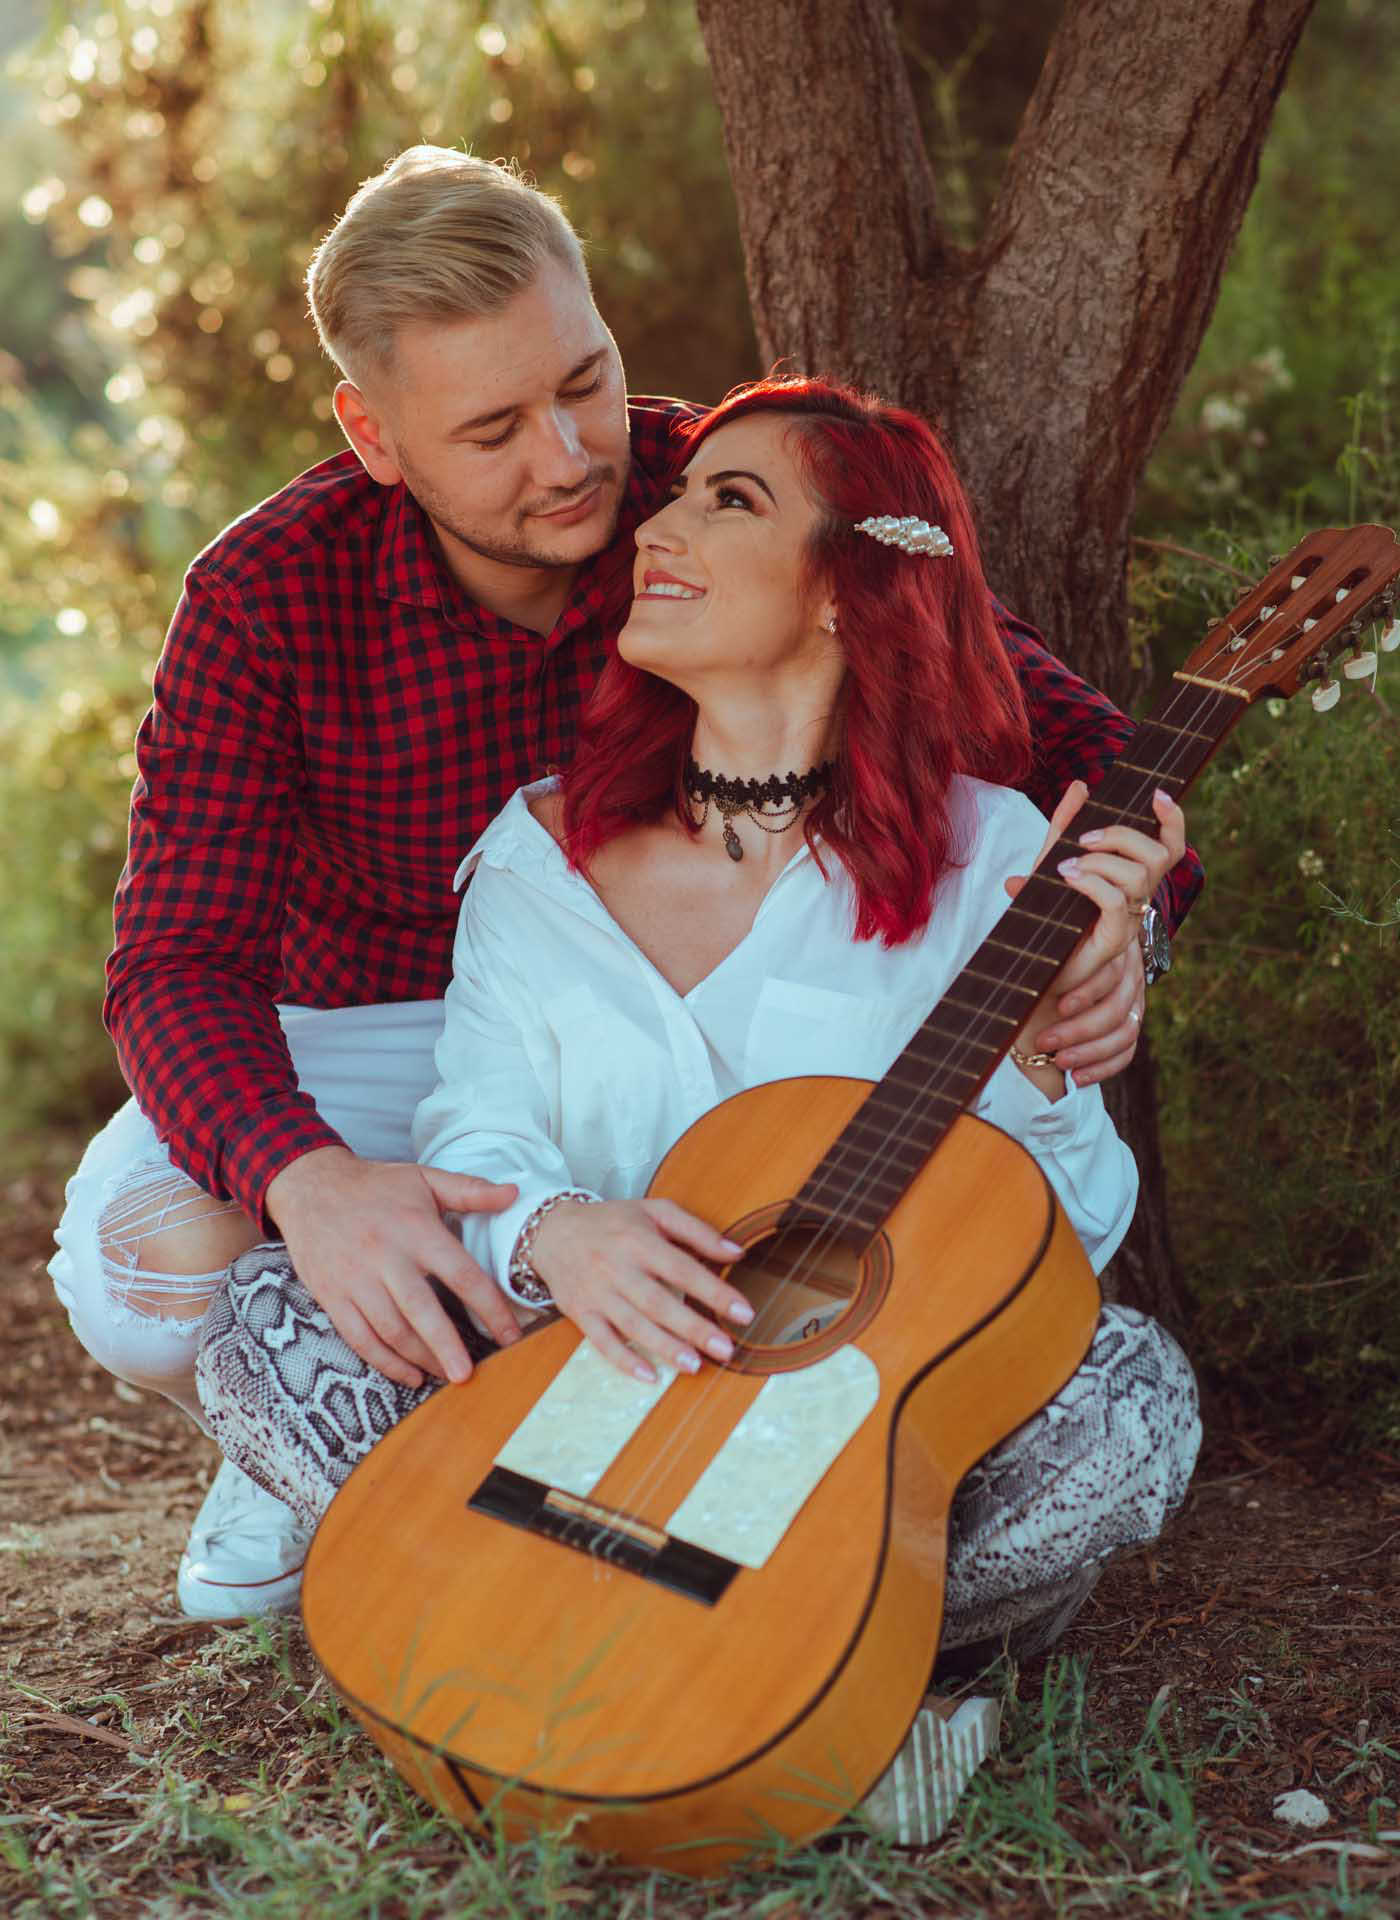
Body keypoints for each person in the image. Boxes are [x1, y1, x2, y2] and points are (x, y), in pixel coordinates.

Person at [47, 145, 1202, 1621]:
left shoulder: (717, 492)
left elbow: (1084, 737)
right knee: (150, 1265)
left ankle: (825, 1558)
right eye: (492, 428)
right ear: (376, 431)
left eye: (583, 380)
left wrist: (1117, 928)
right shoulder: (268, 593)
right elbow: (175, 962)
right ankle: (376, 1420)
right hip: (394, 1030)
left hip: (743, 1041)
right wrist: (310, 1184)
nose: (573, 456)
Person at [195, 376, 1202, 1847]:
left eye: (729, 502)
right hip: (578, 1381)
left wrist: (1048, 1069)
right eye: (678, 493)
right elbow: (478, 1137)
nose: (656, 526)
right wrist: (560, 1237)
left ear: (851, 591)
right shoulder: (543, 850)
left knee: (1127, 1403)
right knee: (265, 1323)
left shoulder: (998, 858)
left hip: (849, 1437)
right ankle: (829, 1668)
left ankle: (831, 1643)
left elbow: (1059, 1244)